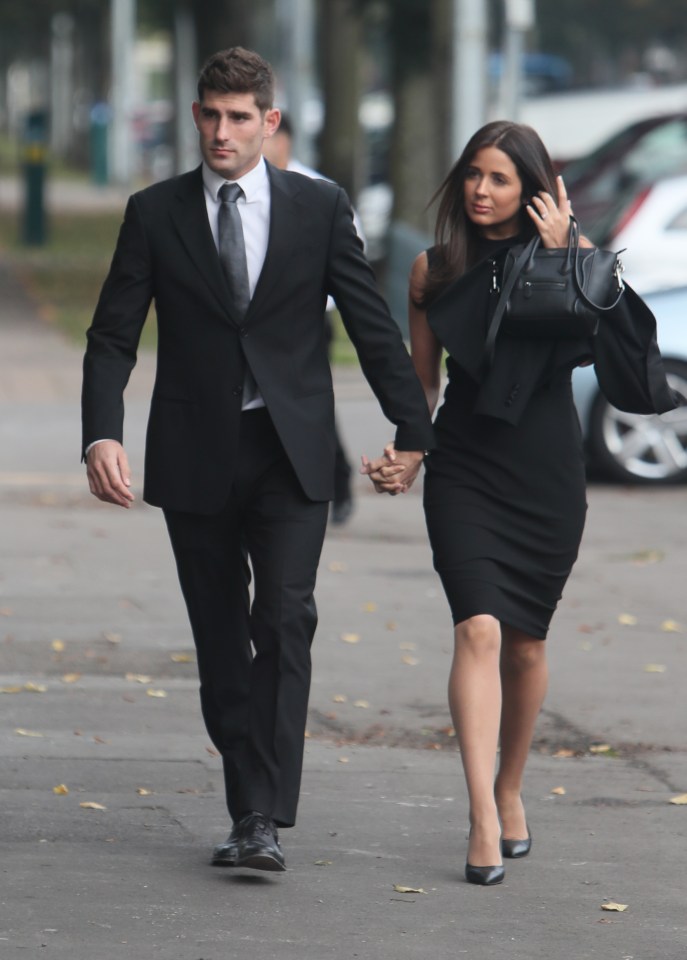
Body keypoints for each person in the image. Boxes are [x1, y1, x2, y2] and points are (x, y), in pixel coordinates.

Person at [82, 46, 434, 873]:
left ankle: (259, 814)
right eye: (209, 114)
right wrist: (102, 433)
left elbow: (371, 325)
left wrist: (414, 430)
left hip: (291, 452)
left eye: (239, 117)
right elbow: (110, 335)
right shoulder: (155, 211)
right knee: (219, 636)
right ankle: (251, 799)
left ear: (269, 123)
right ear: (195, 115)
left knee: (283, 617)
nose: (220, 131)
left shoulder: (318, 207)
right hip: (195, 452)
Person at [362, 120, 676, 885]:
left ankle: (509, 786)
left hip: (544, 471)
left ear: (531, 190)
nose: (480, 190)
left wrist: (573, 254)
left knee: (525, 643)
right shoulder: (431, 273)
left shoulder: (567, 265)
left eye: (499, 178)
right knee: (476, 628)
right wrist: (407, 451)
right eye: (472, 174)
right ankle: (477, 813)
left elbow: (633, 370)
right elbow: (423, 385)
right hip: (465, 463)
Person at [262, 113, 357, 525]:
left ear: (281, 138)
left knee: (308, 403)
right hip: (259, 323)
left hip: (310, 320)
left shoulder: (320, 194)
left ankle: (337, 477)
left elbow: (349, 262)